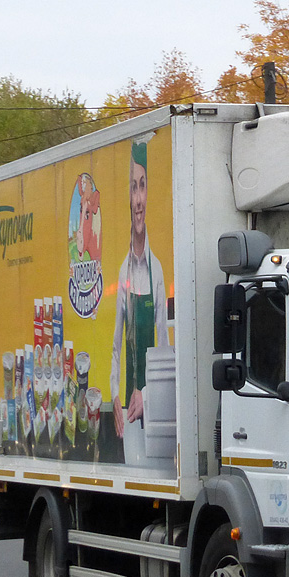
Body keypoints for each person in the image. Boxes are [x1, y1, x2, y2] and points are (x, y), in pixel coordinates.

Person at [111, 138, 168, 438]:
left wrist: (146, 394)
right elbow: (116, 346)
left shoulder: (156, 270)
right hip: (126, 413)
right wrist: (115, 394)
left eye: (142, 185)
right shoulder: (123, 271)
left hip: (151, 406)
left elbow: (163, 345)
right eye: (133, 187)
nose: (138, 199)